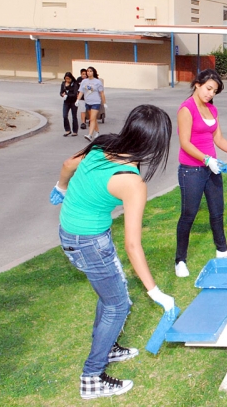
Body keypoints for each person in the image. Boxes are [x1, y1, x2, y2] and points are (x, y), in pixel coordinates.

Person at [49, 104, 176, 399]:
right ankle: (92, 377)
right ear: (156, 142)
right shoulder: (132, 182)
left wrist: (61, 187)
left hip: (70, 231)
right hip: (89, 242)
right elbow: (133, 244)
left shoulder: (103, 142)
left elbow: (69, 163)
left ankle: (109, 346)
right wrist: (155, 292)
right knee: (119, 304)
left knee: (110, 297)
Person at [174, 69, 227, 278]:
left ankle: (222, 249)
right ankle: (180, 260)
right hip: (191, 170)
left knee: (217, 211)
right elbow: (185, 143)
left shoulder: (211, 110)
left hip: (212, 168)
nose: (210, 94)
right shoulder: (186, 109)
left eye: (214, 91)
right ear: (197, 84)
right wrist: (206, 159)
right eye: (208, 88)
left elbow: (218, 138)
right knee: (189, 215)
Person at [76, 66, 107, 141]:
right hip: (88, 102)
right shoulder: (84, 81)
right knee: (93, 119)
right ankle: (97, 132)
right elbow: (81, 92)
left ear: (93, 72)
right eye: (88, 71)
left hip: (96, 102)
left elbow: (102, 93)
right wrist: (77, 100)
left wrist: (104, 102)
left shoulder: (97, 82)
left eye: (90, 71)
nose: (89, 72)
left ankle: (90, 135)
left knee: (92, 119)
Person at [60, 72, 80, 136]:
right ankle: (67, 130)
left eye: (68, 79)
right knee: (64, 115)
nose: (67, 80)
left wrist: (67, 95)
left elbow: (75, 94)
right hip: (66, 102)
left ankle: (75, 131)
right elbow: (61, 92)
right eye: (66, 79)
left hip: (73, 101)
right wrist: (62, 95)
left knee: (74, 116)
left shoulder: (74, 84)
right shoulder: (63, 84)